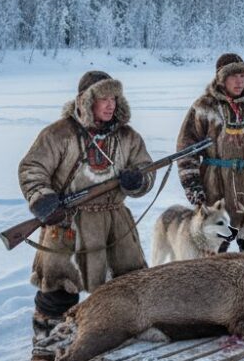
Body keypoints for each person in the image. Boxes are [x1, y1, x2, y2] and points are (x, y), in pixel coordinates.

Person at [19, 71, 154, 361]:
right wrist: (43, 199)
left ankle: (113, 348)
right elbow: (32, 169)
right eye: (103, 98)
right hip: (67, 224)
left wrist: (139, 181)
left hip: (115, 223)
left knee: (127, 290)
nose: (109, 105)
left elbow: (147, 170)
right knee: (56, 294)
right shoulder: (59, 133)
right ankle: (46, 352)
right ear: (86, 101)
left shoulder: (129, 137)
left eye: (114, 98)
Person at [176, 53, 244, 256]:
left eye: (242, 75)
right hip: (214, 188)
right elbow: (186, 149)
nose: (239, 80)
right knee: (213, 255)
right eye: (233, 76)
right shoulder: (203, 108)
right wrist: (192, 185)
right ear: (221, 78)